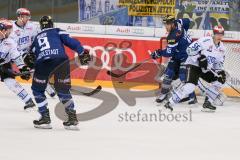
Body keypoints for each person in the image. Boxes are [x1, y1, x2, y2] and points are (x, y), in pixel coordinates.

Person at [30, 16, 91, 130]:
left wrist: (27, 68)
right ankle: (72, 119)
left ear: (41, 26)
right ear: (51, 24)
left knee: (37, 90)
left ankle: (45, 118)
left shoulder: (36, 37)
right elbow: (72, 42)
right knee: (63, 90)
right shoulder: (57, 31)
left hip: (44, 62)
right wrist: (82, 52)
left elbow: (31, 56)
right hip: (61, 61)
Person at [164, 25, 226, 112]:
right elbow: (189, 50)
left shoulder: (222, 49)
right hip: (194, 65)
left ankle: (207, 103)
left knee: (220, 81)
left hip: (206, 69)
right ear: (213, 34)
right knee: (190, 86)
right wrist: (199, 58)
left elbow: (218, 63)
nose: (219, 36)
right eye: (217, 34)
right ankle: (170, 103)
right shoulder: (205, 41)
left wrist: (219, 72)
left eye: (221, 34)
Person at [10, 8, 56, 98]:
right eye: (26, 16)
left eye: (28, 16)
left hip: (30, 50)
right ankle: (45, 87)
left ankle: (46, 85)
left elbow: (40, 36)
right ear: (19, 17)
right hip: (17, 53)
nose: (28, 18)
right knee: (31, 66)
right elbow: (11, 47)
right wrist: (23, 55)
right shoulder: (11, 29)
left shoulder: (32, 26)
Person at [151, 15, 197, 104]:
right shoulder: (179, 22)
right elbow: (187, 21)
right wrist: (184, 33)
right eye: (165, 25)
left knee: (183, 77)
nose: (166, 27)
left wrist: (158, 53)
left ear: (172, 24)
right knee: (168, 74)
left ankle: (192, 97)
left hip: (186, 55)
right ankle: (164, 94)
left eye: (167, 25)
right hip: (177, 56)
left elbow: (169, 53)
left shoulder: (172, 37)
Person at [0, 19, 34, 110]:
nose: (10, 32)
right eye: (9, 30)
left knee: (10, 81)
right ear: (3, 30)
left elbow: (16, 57)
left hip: (4, 64)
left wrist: (23, 68)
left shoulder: (10, 42)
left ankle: (28, 100)